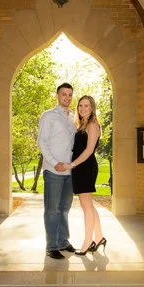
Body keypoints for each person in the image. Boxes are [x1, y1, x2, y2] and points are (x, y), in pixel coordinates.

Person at [56, 95, 107, 256]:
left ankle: (87, 242)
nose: (82, 109)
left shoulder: (92, 125)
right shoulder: (82, 125)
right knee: (89, 205)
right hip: (80, 167)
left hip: (86, 168)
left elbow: (89, 151)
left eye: (86, 106)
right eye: (80, 106)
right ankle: (99, 237)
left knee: (86, 207)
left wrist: (71, 164)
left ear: (92, 108)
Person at [37, 82, 77, 259]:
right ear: (57, 96)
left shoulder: (73, 118)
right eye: (63, 94)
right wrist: (54, 163)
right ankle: (52, 245)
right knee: (52, 209)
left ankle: (63, 241)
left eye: (69, 95)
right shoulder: (48, 116)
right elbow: (42, 142)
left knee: (64, 208)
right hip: (54, 171)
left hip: (70, 171)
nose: (67, 98)